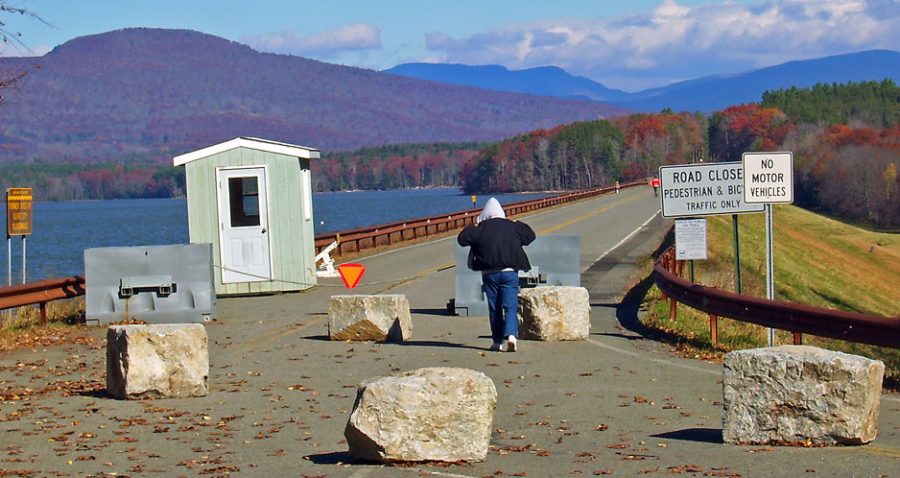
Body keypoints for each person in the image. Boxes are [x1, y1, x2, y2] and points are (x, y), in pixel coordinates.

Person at [458, 198, 536, 352]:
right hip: (509, 272)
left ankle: (497, 341)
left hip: (489, 273)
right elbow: (530, 236)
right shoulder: (512, 227)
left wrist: (475, 225)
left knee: (494, 308)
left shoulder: (480, 228)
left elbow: (462, 239)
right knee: (510, 306)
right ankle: (512, 336)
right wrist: (516, 223)